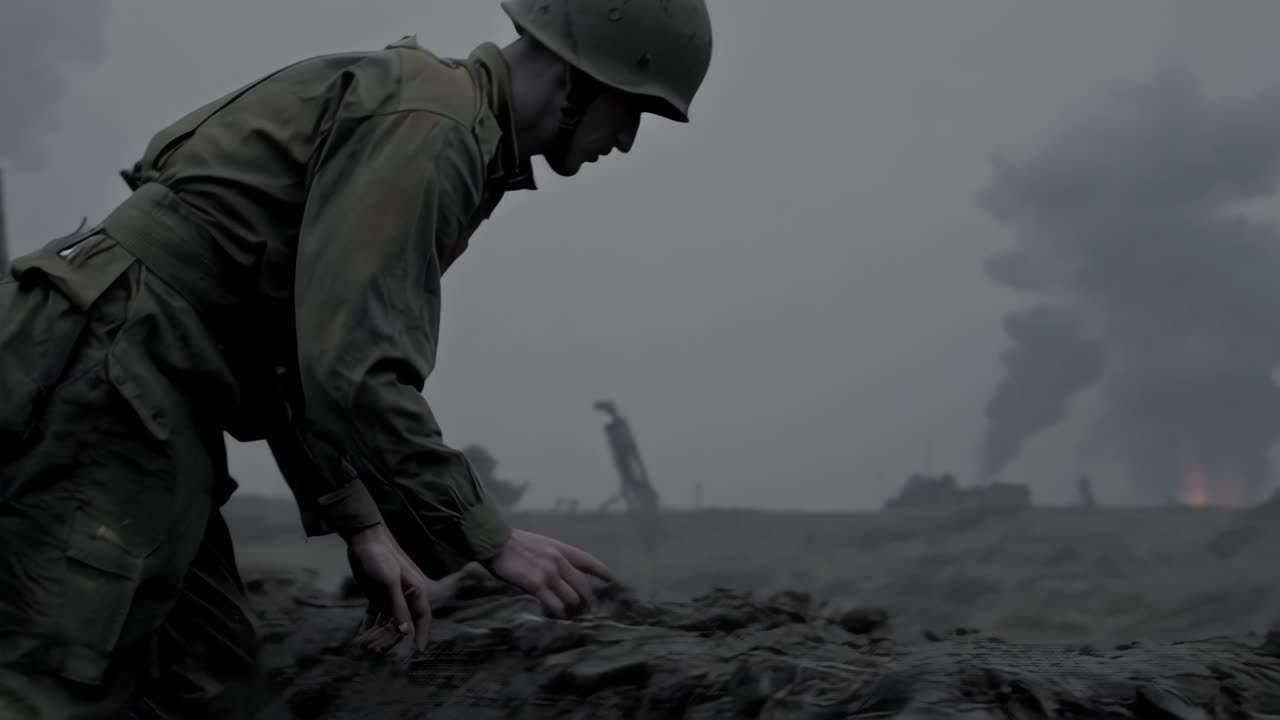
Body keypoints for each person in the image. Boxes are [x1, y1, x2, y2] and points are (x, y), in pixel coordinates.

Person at [0, 0, 713, 716]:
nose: (623, 141)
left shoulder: (447, 123)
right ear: (575, 77)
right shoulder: (434, 131)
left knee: (208, 680)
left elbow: (297, 347)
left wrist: (361, 522)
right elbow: (355, 373)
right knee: (60, 677)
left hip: (146, 380)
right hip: (113, 371)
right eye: (631, 111)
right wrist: (487, 537)